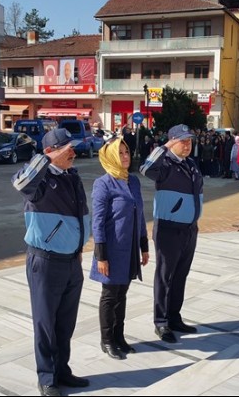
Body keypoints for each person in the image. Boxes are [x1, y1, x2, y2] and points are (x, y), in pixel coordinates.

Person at [11, 128, 90, 396]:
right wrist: (44, 158)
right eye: (67, 148)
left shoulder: (72, 176)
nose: (73, 153)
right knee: (45, 324)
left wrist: (79, 246)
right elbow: (20, 184)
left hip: (71, 261)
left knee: (65, 322)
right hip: (45, 262)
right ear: (50, 152)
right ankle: (46, 378)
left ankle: (62, 370)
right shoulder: (38, 180)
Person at [140, 124, 203, 344]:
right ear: (172, 142)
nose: (187, 145)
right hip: (168, 229)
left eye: (189, 141)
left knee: (180, 276)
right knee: (165, 277)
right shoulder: (164, 164)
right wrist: (163, 147)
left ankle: (174, 317)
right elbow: (146, 169)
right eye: (182, 141)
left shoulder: (191, 165)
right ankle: (161, 321)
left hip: (189, 229)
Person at [89, 137, 149, 360]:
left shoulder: (133, 181)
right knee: (110, 295)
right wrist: (101, 256)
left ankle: (119, 337)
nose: (125, 156)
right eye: (121, 153)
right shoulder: (103, 183)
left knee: (122, 293)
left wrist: (143, 246)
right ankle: (107, 341)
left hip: (130, 247)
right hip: (112, 250)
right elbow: (98, 221)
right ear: (111, 156)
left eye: (127, 152)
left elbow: (140, 214)